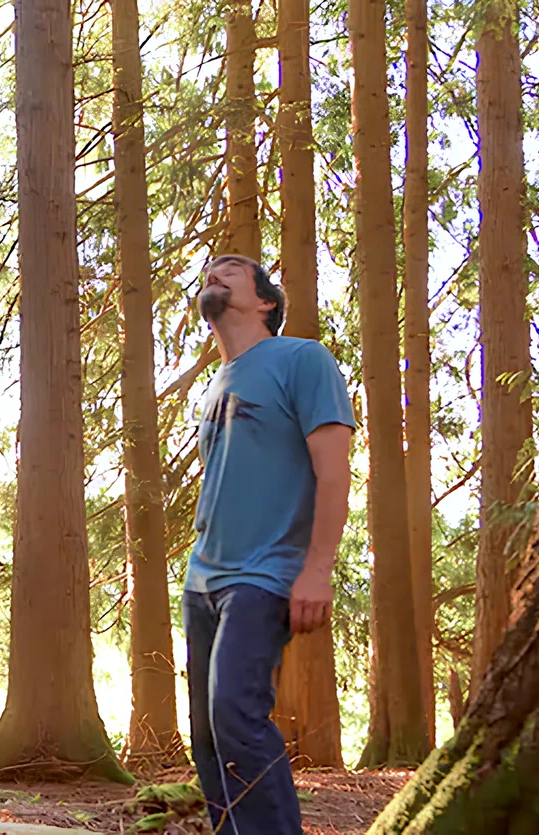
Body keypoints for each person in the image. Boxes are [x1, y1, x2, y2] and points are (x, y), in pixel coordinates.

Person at [184, 254, 353, 835]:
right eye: (210, 270)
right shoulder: (212, 388)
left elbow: (333, 471)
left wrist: (317, 569)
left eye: (232, 270)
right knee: (207, 730)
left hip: (266, 573)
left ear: (266, 303)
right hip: (202, 577)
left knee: (236, 713)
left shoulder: (301, 359)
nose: (215, 272)